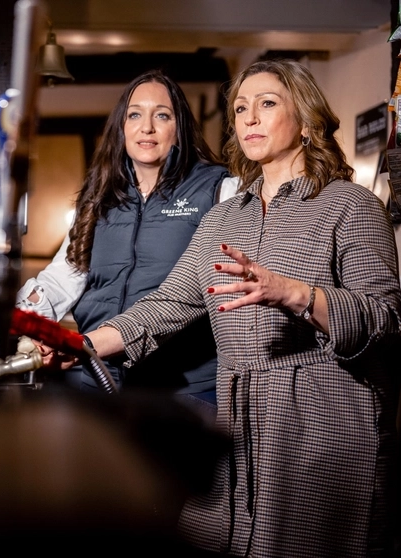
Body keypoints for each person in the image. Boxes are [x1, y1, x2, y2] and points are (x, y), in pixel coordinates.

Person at [74, 59, 401, 557]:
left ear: (306, 120)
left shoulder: (350, 206)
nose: (249, 117)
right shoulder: (224, 218)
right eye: (241, 108)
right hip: (237, 421)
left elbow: (386, 319)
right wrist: (78, 344)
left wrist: (294, 292)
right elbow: (169, 302)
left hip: (321, 423)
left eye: (267, 104)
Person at [0, 69, 237, 417]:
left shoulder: (219, 190)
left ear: (180, 126)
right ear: (121, 127)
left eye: (162, 115)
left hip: (182, 389)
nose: (146, 127)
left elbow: (202, 290)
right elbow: (61, 280)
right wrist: (5, 316)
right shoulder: (99, 198)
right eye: (135, 115)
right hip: (98, 376)